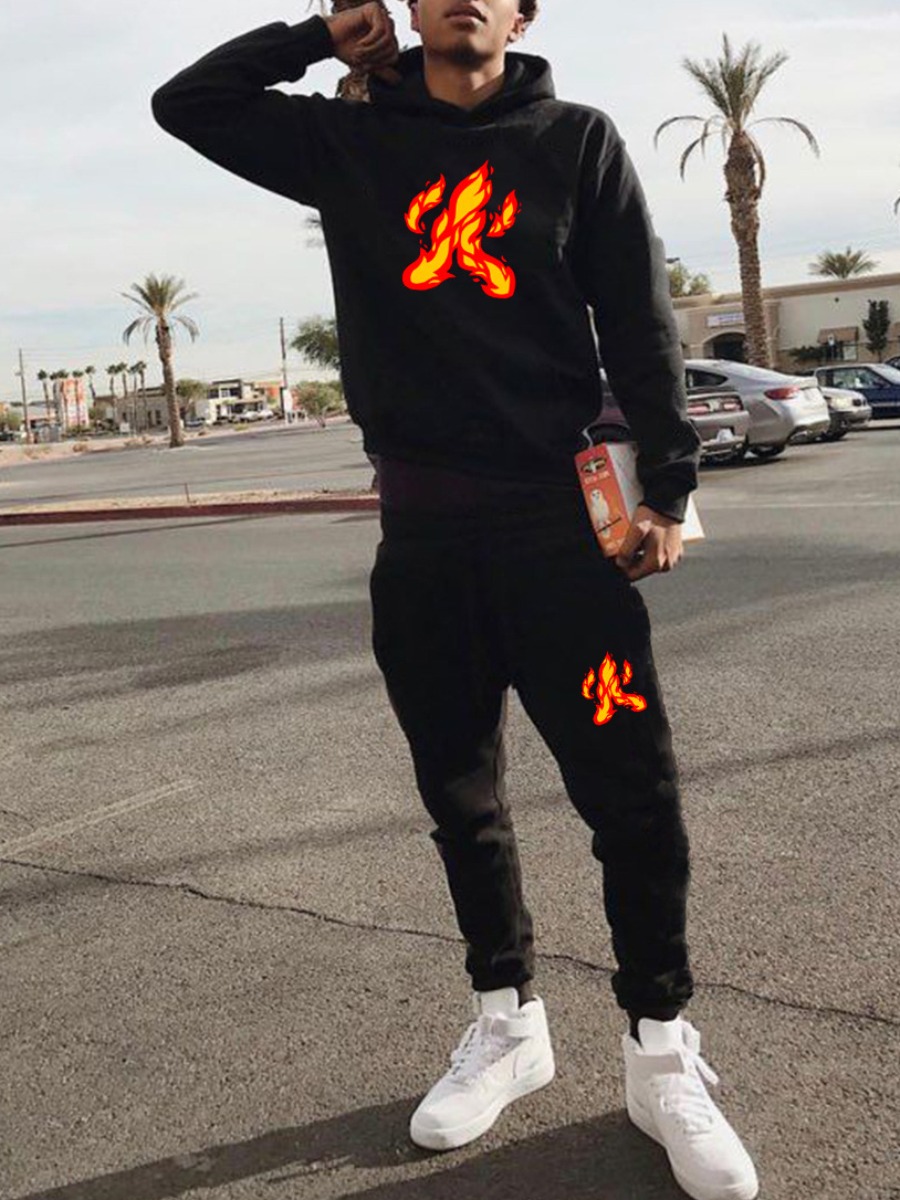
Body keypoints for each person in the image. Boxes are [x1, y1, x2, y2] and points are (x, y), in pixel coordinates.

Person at [151, 5, 759, 1197]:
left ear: (524, 9)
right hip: (424, 544)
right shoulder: (348, 144)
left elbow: (638, 321)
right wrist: (319, 37)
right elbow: (189, 105)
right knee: (461, 798)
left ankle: (659, 1049)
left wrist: (670, 487)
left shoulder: (575, 141)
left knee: (633, 797)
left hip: (562, 544)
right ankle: (507, 1021)